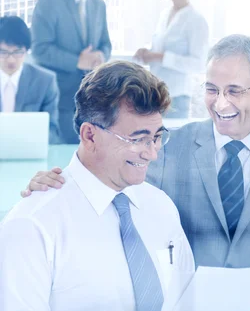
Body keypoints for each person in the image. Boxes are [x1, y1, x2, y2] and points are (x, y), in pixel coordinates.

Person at [23, 35, 250, 311]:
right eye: (212, 89)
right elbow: (113, 171)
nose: (220, 103)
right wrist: (64, 181)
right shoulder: (167, 144)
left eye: (234, 91)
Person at [0, 61, 194, 311]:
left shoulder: (161, 207)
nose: (152, 153)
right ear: (90, 135)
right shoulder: (32, 227)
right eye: (138, 139)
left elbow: (186, 300)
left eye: (156, 138)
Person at [31, 0, 112, 144]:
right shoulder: (49, 1)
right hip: (62, 97)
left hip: (94, 99)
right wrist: (78, 61)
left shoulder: (98, 5)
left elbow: (106, 43)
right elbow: (40, 50)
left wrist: (100, 55)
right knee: (63, 153)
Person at [134, 0, 209, 118]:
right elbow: (161, 46)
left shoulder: (196, 20)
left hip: (177, 97)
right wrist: (148, 52)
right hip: (155, 94)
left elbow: (198, 64)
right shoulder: (164, 15)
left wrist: (161, 57)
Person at [0, 16, 60, 143]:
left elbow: (52, 131)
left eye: (17, 52)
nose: (11, 59)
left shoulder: (45, 81)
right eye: (3, 52)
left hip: (28, 151)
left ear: (27, 51)